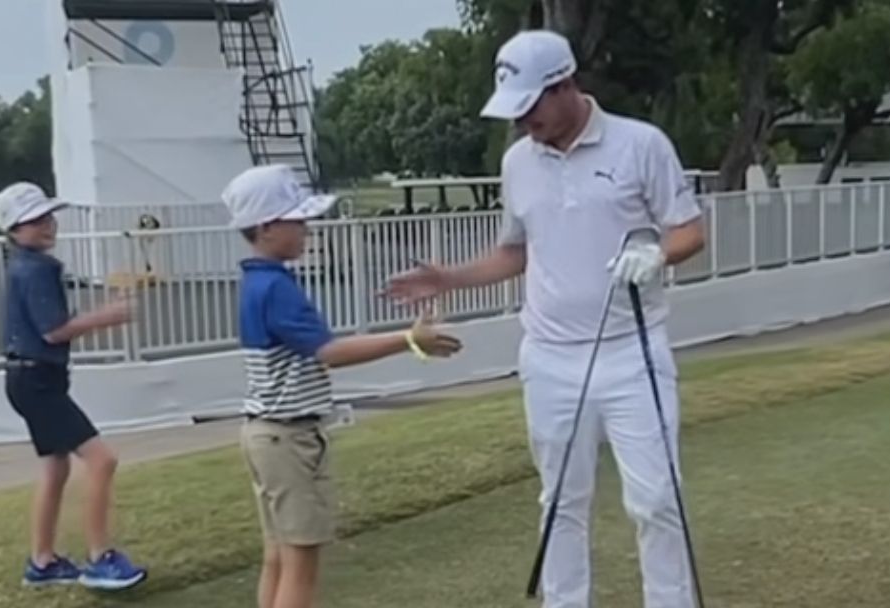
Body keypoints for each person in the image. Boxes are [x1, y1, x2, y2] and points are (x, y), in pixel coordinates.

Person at [385, 30, 706, 608]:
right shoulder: (518, 162)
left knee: (657, 499)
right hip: (550, 358)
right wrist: (449, 277)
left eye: (530, 105)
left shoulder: (641, 145)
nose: (522, 120)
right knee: (560, 500)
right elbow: (517, 250)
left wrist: (658, 253)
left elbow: (689, 230)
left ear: (565, 86)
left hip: (632, 352)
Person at [223, 164, 463, 608]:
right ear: (267, 227)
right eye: (297, 221)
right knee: (299, 560)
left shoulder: (259, 282)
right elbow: (329, 351)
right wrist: (409, 339)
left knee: (278, 555)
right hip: (288, 436)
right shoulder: (276, 287)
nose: (306, 229)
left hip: (266, 433)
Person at [0, 182, 147, 591]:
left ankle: (43, 561)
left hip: (27, 379)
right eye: (33, 220)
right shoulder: (37, 268)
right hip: (38, 380)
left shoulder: (25, 265)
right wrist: (108, 315)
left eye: (47, 216)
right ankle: (100, 557)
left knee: (56, 464)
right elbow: (54, 331)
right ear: (13, 230)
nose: (46, 225)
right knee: (101, 459)